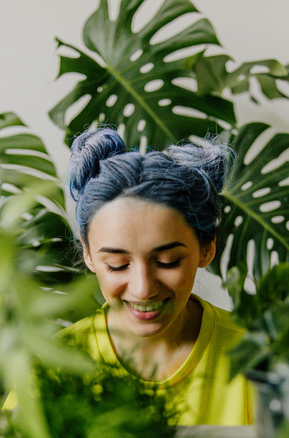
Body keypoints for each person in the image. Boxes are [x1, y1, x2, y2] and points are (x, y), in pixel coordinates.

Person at [63, 128, 255, 426]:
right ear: (88, 252)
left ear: (207, 247)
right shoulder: (53, 363)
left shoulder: (259, 361)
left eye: (167, 261)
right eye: (117, 264)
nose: (143, 289)